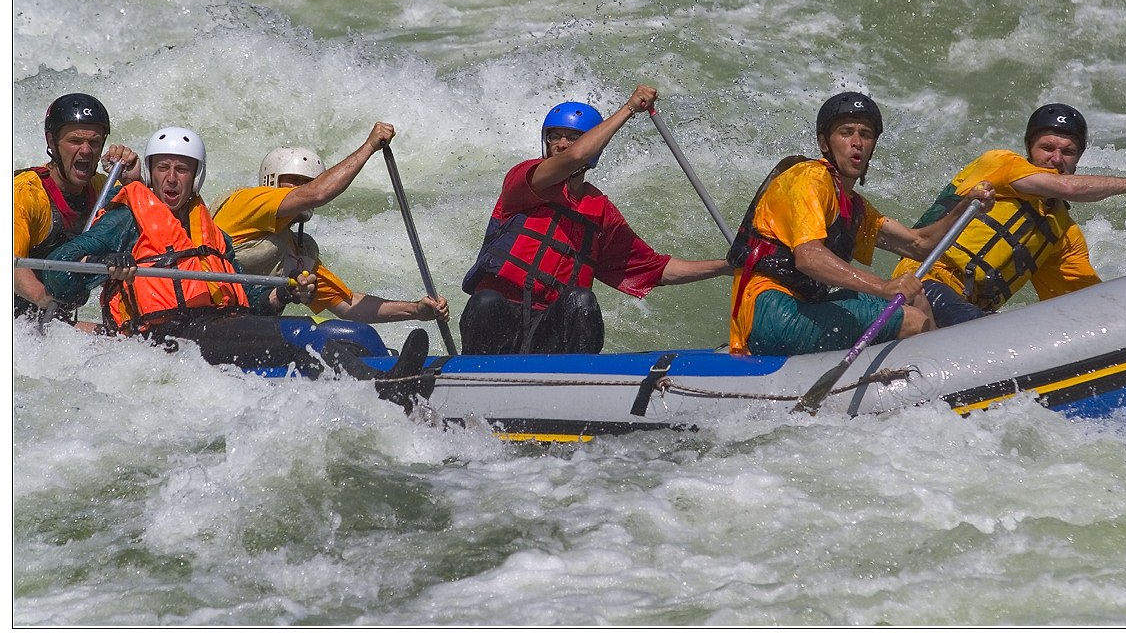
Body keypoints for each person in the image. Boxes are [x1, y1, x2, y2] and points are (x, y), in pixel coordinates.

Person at [41, 126, 430, 407]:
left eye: (182, 169)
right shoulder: (126, 219)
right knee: (299, 331)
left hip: (211, 327)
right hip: (161, 338)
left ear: (197, 176)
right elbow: (58, 271)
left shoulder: (209, 230)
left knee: (315, 343)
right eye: (162, 168)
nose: (171, 179)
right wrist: (107, 263)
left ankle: (373, 382)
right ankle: (382, 389)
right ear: (151, 172)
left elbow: (242, 294)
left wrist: (281, 293)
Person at [459, 84, 732, 354]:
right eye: (555, 136)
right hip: (498, 324)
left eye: (573, 137)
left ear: (593, 146)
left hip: (551, 331)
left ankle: (577, 384)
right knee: (486, 301)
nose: (562, 144)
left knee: (582, 300)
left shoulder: (598, 210)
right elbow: (576, 156)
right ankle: (472, 381)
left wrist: (725, 266)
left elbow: (657, 269)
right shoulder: (525, 180)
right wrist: (629, 108)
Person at [727, 91, 995, 357]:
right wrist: (883, 287)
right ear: (824, 143)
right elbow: (808, 257)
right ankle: (941, 381)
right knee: (914, 320)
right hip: (772, 313)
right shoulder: (810, 178)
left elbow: (920, 245)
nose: (857, 143)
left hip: (802, 306)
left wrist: (964, 207)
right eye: (846, 133)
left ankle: (941, 373)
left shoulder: (854, 208)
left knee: (916, 296)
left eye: (865, 135)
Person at [892, 103, 1126, 326]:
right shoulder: (1000, 164)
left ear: (1078, 158)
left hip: (972, 313)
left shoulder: (1063, 234)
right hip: (923, 284)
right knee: (987, 329)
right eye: (1047, 148)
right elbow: (1066, 187)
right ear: (1029, 148)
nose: (1056, 159)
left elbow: (1086, 306)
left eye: (1068, 152)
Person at [210, 123, 450, 335]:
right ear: (270, 181)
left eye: (310, 181)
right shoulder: (246, 202)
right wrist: (368, 147)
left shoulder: (296, 253)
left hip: (249, 326)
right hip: (210, 320)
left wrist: (416, 310)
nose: (304, 189)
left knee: (352, 337)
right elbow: (319, 193)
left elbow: (349, 305)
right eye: (294, 181)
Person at [14, 93, 141, 327]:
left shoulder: (101, 189)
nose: (85, 151)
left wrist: (133, 182)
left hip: (51, 319)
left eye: (94, 142)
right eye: (75, 141)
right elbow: (12, 264)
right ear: (52, 142)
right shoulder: (25, 192)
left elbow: (150, 225)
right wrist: (44, 298)